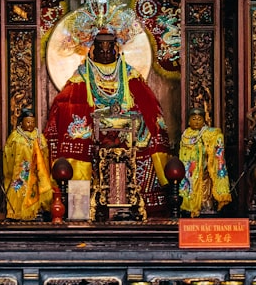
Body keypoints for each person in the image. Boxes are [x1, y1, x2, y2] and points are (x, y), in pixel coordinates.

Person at [44, 30, 171, 213]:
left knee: (148, 126)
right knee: (75, 127)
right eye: (101, 49)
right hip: (94, 133)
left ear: (116, 49)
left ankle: (137, 201)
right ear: (93, 50)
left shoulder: (129, 74)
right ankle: (79, 207)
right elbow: (68, 103)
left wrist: (127, 117)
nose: (105, 53)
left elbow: (147, 104)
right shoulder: (82, 75)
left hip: (126, 132)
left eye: (109, 49)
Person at [177, 107, 231, 217]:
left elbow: (215, 148)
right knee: (189, 186)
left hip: (205, 168)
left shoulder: (209, 134)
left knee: (206, 188)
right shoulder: (185, 136)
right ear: (188, 121)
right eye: (194, 119)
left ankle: (206, 204)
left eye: (199, 119)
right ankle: (190, 206)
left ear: (204, 121)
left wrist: (208, 151)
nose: (196, 121)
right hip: (190, 170)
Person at [2, 108, 54, 221]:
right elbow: (8, 155)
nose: (30, 125)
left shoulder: (39, 136)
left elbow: (45, 154)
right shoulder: (15, 136)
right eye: (28, 122)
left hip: (36, 171)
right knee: (18, 187)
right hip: (21, 172)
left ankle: (39, 211)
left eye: (32, 122)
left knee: (42, 188)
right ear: (22, 122)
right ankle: (15, 213)